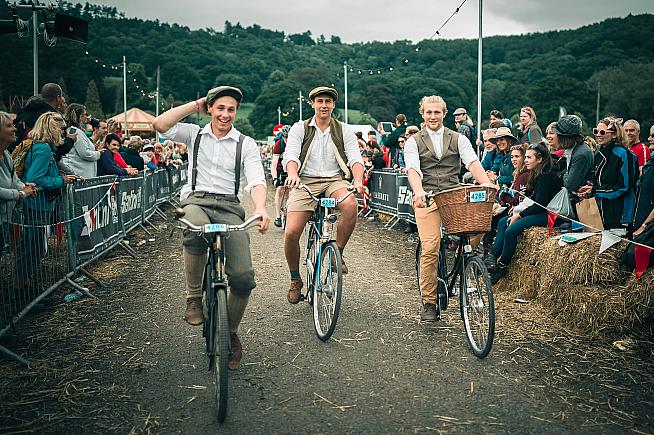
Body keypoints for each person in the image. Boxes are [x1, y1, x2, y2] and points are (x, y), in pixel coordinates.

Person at [152, 86, 269, 369]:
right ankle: (194, 297)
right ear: (211, 109)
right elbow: (160, 124)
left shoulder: (245, 143)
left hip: (230, 207)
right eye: (220, 108)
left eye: (231, 109)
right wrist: (196, 104)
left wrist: (261, 208)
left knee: (243, 277)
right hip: (197, 201)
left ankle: (230, 332)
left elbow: (256, 180)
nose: (225, 114)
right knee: (195, 229)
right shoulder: (194, 134)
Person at [404, 95, 493, 321]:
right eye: (429, 112)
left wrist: (485, 182)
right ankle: (429, 302)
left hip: (453, 196)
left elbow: (472, 162)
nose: (433, 116)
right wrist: (418, 191)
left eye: (437, 112)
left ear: (444, 114)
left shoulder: (458, 138)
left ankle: (465, 258)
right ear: (423, 114)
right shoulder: (414, 141)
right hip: (427, 197)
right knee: (431, 246)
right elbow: (413, 169)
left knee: (479, 227)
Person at [282, 86, 365, 304]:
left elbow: (355, 158)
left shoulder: (343, 129)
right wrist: (293, 174)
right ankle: (295, 279)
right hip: (305, 180)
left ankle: (338, 253)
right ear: (312, 104)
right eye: (320, 101)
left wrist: (357, 180)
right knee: (291, 232)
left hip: (334, 180)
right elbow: (291, 155)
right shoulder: (300, 128)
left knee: (350, 205)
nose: (324, 105)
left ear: (333, 105)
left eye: (328, 101)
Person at [15, 112, 77, 284]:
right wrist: (61, 180)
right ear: (53, 129)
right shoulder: (43, 149)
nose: (63, 133)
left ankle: (24, 280)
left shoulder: (41, 146)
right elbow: (35, 178)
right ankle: (22, 281)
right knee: (33, 244)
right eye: (62, 129)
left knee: (32, 243)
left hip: (37, 203)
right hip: (37, 204)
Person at [488, 144, 562, 284]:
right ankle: (492, 256)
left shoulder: (546, 176)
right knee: (503, 221)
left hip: (551, 214)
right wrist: (518, 209)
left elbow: (540, 205)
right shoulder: (536, 173)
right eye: (525, 157)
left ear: (539, 159)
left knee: (511, 231)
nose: (525, 160)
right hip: (541, 210)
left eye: (529, 157)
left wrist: (520, 214)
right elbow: (532, 199)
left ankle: (502, 266)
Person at [578, 118, 636, 230]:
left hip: (620, 213)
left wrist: (595, 191)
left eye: (602, 132)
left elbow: (624, 186)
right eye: (596, 131)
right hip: (602, 210)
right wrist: (589, 188)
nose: (598, 135)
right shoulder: (599, 154)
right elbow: (598, 181)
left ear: (614, 134)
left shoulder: (624, 154)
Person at [0, 111, 36, 251]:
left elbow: (14, 179)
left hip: (4, 220)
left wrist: (26, 187)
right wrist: (21, 193)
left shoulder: (6, 154)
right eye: (9, 126)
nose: (15, 129)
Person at [11, 83, 67, 152]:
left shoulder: (26, 111)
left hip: (20, 152)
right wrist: (71, 140)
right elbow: (60, 146)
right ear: (58, 98)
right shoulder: (52, 117)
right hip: (43, 153)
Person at [551, 115, 594, 195]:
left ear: (565, 137)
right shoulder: (572, 149)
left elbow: (569, 184)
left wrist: (563, 173)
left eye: (558, 134)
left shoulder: (581, 154)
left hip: (580, 199)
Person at [61, 104, 100, 180]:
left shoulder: (71, 130)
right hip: (80, 174)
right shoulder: (76, 132)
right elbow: (85, 153)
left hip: (78, 172)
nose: (86, 117)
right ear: (80, 116)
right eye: (85, 114)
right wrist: (99, 153)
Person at [271, 125, 291, 227]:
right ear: (283, 137)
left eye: (289, 137)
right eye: (286, 137)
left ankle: (289, 214)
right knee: (279, 189)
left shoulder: (295, 144)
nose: (287, 140)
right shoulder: (279, 144)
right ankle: (278, 216)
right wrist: (275, 179)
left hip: (290, 167)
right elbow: (274, 164)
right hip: (279, 168)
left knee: (289, 191)